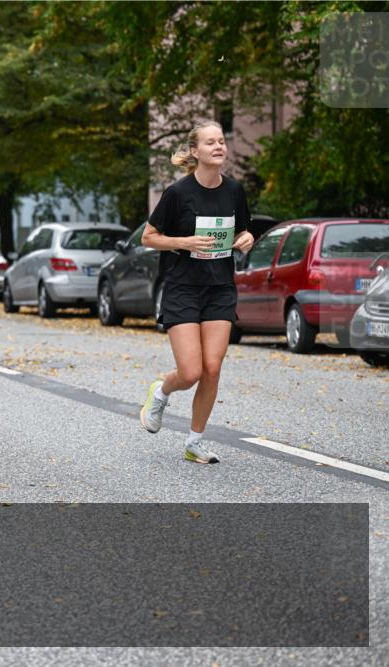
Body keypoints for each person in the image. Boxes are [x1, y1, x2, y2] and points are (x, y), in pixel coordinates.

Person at [138, 120, 255, 465]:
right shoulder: (177, 193)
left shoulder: (234, 191)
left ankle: (195, 442)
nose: (218, 146)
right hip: (182, 288)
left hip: (220, 288)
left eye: (221, 141)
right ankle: (161, 392)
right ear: (195, 151)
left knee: (212, 368)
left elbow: (243, 232)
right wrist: (184, 242)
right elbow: (148, 237)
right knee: (190, 373)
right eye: (210, 142)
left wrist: (246, 239)